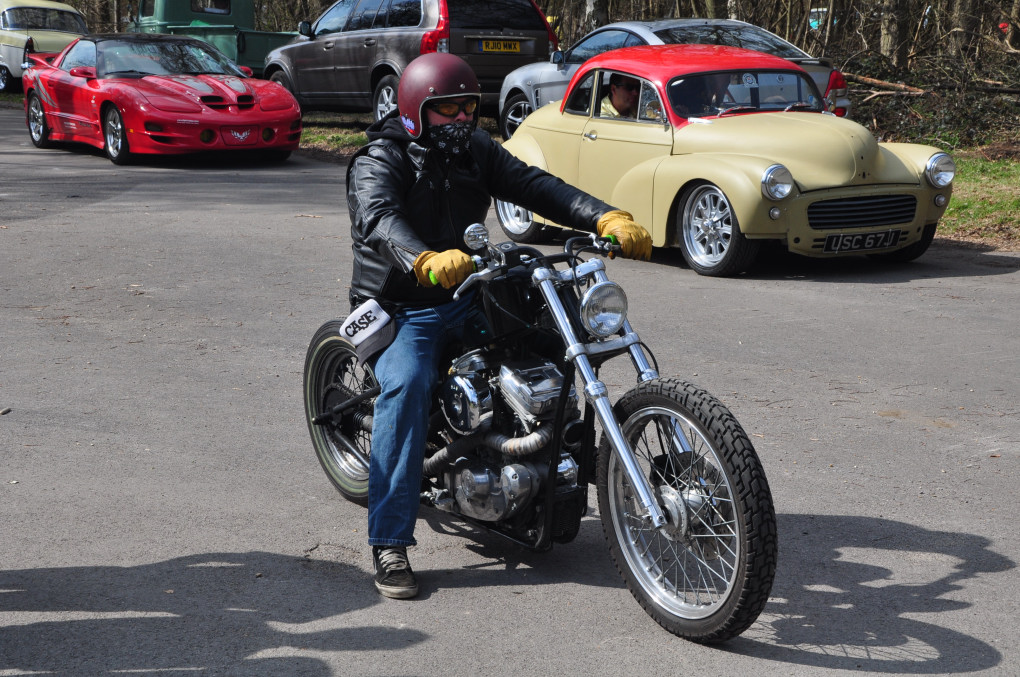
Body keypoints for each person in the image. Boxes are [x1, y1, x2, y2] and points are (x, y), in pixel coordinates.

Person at [345, 52, 652, 599]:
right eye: (448, 110)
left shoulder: (477, 150)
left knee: (549, 345)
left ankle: (540, 474)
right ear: (415, 111)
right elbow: (379, 219)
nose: (462, 119)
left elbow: (535, 185)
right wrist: (422, 257)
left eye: (469, 108)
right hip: (403, 299)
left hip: (469, 287)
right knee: (408, 386)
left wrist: (604, 214)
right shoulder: (379, 159)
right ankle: (389, 540)